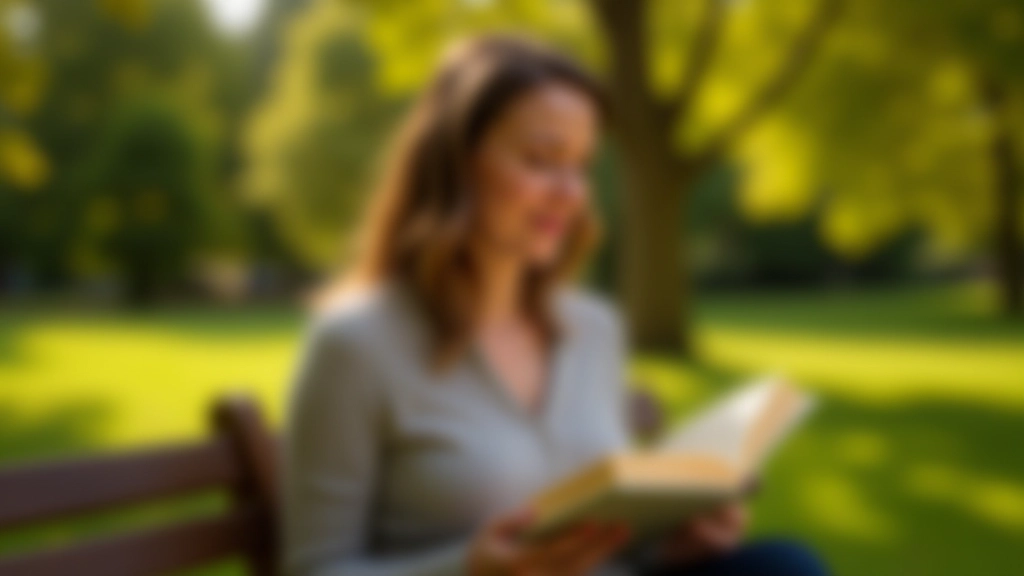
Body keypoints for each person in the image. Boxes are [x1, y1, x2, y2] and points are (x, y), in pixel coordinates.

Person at [282, 35, 828, 576]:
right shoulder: (356, 344)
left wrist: (671, 546)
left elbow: (610, 545)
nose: (571, 192)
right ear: (458, 164)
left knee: (787, 566)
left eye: (582, 164)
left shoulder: (594, 328)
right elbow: (315, 569)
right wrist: (468, 570)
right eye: (542, 159)